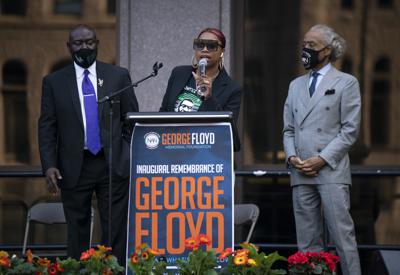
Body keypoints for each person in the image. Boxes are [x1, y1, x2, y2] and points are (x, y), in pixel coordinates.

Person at [38, 24, 138, 265]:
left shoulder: (118, 76)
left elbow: (132, 119)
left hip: (111, 164)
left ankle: (113, 270)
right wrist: (49, 165)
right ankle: (78, 270)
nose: (84, 47)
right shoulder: (54, 82)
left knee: (114, 228)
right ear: (69, 47)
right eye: (78, 43)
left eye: (89, 42)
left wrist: (124, 152)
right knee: (77, 229)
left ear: (97, 43)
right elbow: (47, 127)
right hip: (74, 165)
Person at [283, 24, 361, 275]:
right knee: (307, 244)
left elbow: (350, 131)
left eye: (312, 46)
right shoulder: (295, 85)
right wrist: (292, 157)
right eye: (304, 44)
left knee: (342, 239)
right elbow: (288, 130)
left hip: (331, 172)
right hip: (300, 173)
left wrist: (322, 159)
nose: (306, 49)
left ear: (327, 51)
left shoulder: (346, 83)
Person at [159, 27, 242, 123]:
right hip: (173, 136)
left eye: (211, 46)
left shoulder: (232, 90)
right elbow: (163, 112)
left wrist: (209, 98)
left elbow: (227, 126)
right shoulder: (178, 73)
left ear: (222, 52)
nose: (205, 49)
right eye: (200, 45)